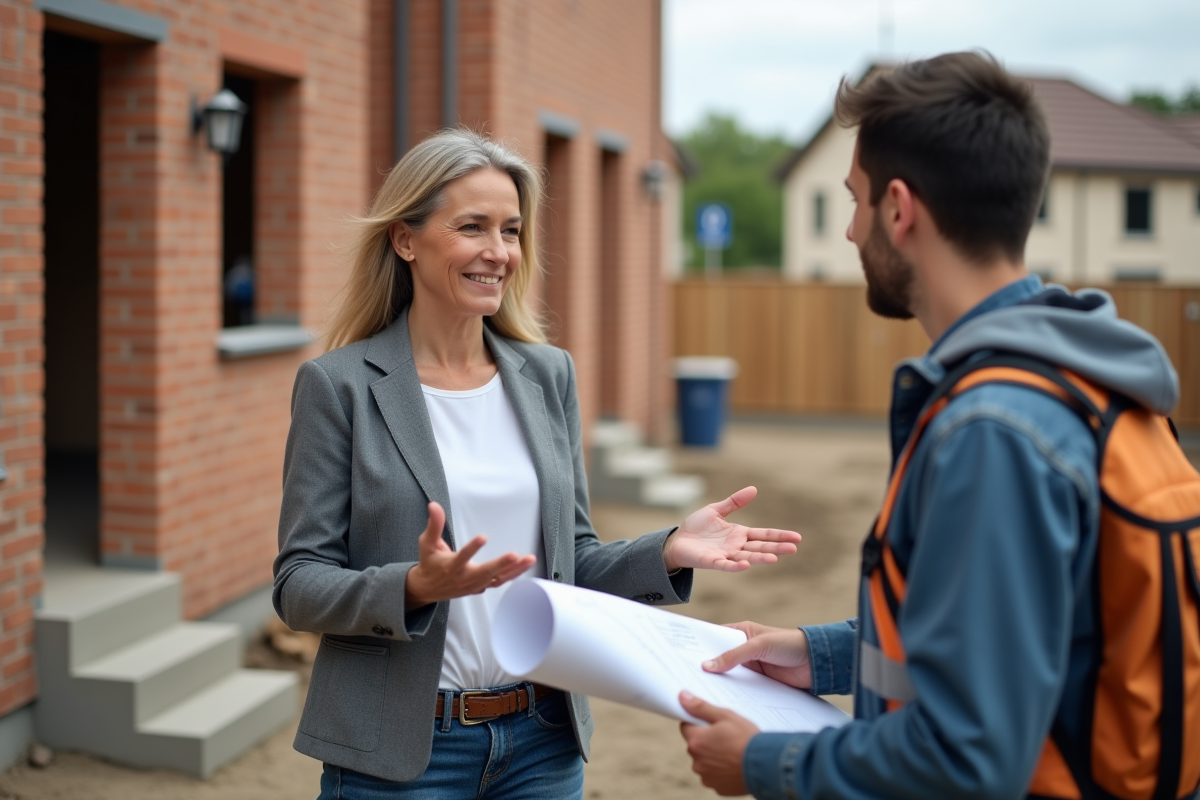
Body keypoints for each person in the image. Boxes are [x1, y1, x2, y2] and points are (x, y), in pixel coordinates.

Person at [677, 52, 1184, 798]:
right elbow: (1018, 643)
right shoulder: (1094, 385)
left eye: (854, 199)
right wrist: (816, 655)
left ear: (900, 209)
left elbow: (968, 757)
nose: (849, 231)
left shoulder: (995, 432)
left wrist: (763, 763)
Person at [272, 128, 802, 799]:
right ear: (406, 239)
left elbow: (570, 562)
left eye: (512, 230)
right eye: (473, 227)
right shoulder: (338, 385)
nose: (499, 253)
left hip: (541, 745)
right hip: (399, 756)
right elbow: (298, 584)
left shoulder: (547, 375)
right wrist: (413, 587)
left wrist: (669, 550)